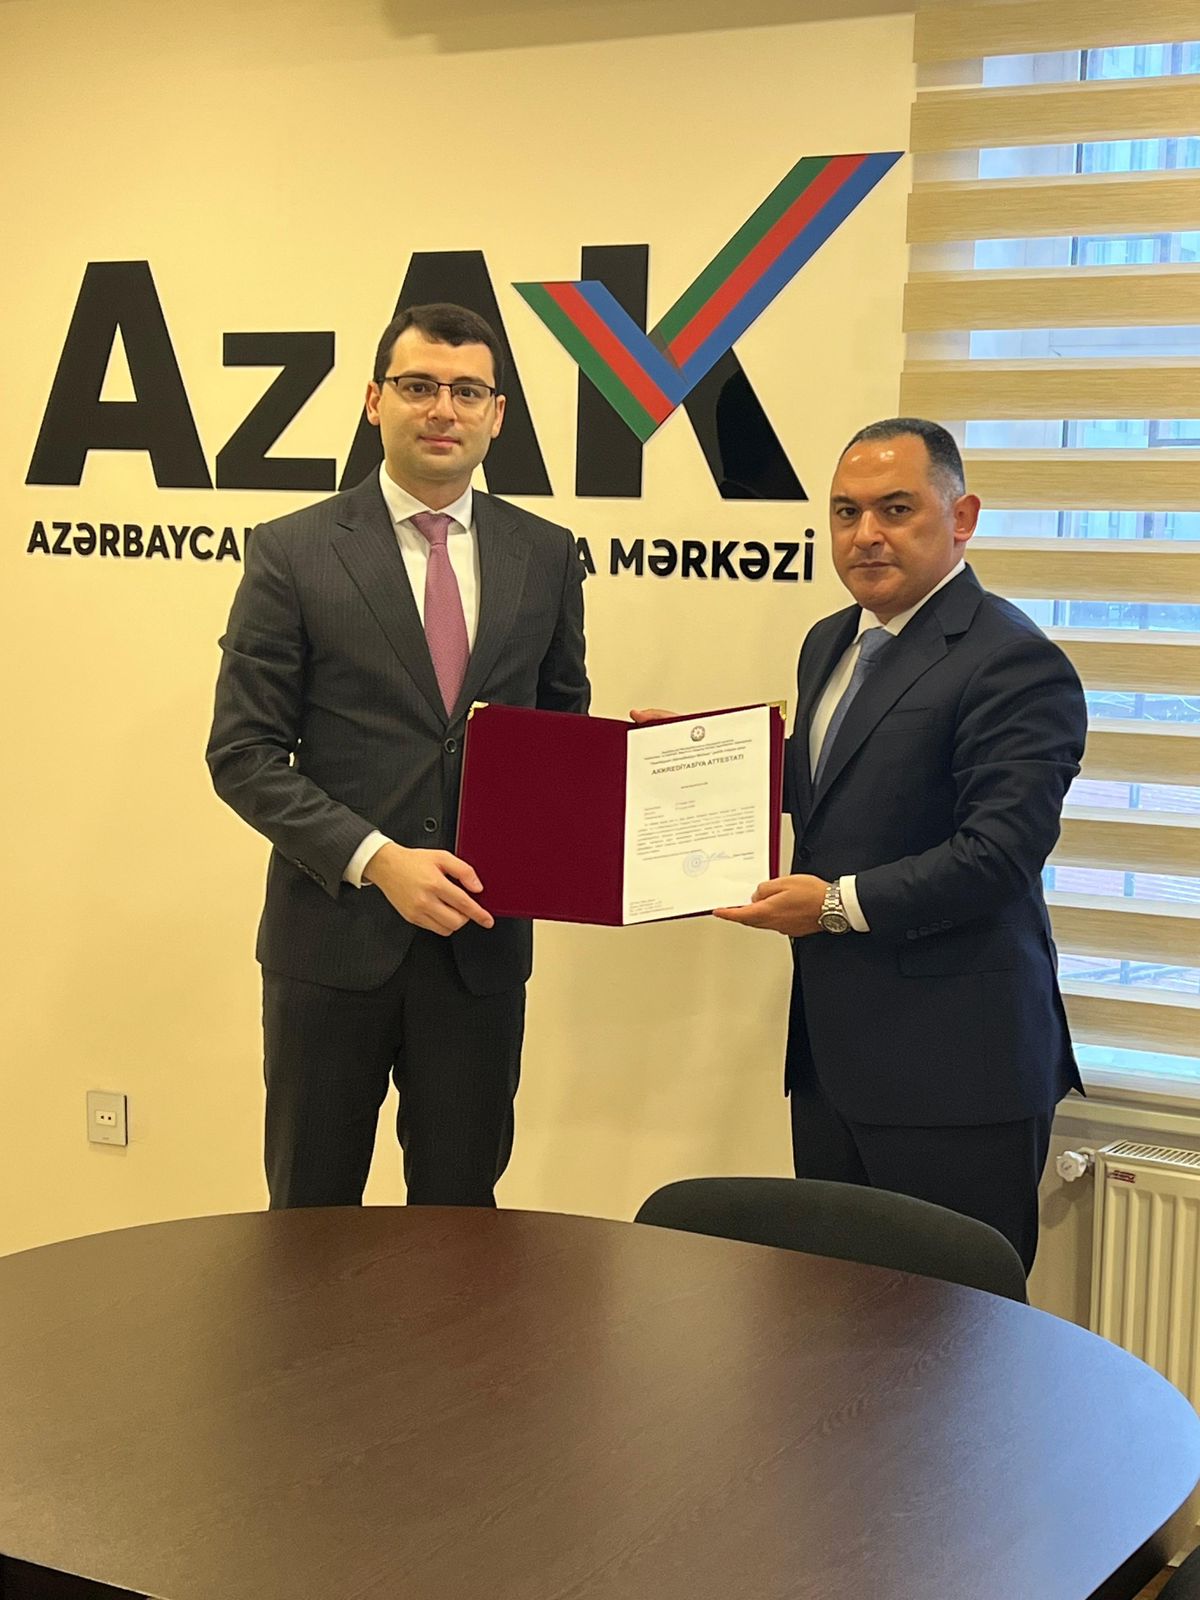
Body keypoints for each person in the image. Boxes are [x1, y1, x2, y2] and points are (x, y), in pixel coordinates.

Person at [207, 303, 590, 1209]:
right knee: (310, 1218)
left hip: (479, 951)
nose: (442, 410)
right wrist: (379, 861)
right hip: (330, 945)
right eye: (419, 387)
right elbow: (243, 754)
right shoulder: (293, 552)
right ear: (375, 401)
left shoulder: (544, 556)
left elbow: (560, 733)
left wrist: (644, 765)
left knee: (462, 1222)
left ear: (498, 414)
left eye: (467, 392)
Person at [700, 419, 1084, 1271]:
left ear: (962, 517)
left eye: (896, 509)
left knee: (956, 1332)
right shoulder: (831, 640)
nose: (865, 534)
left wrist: (834, 906)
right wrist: (702, 759)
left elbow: (999, 855)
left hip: (959, 1074)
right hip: (835, 1063)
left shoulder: (1015, 661)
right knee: (838, 1320)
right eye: (846, 512)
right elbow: (845, 786)